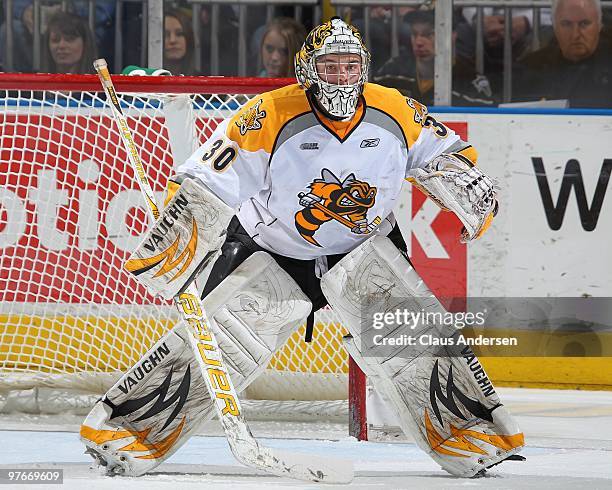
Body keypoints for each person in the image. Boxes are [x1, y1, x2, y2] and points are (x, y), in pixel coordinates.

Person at [80, 18, 523, 480]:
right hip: (273, 249)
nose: (341, 76)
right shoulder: (269, 114)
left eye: (350, 65)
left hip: (363, 249)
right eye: (330, 66)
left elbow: (443, 152)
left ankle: (470, 431)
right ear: (307, 69)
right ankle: (129, 431)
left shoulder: (394, 109)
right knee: (218, 344)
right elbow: (211, 177)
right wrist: (185, 224)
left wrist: (461, 182)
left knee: (412, 342)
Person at [375, 9, 496, 106]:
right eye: (414, 34)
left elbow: (489, 120)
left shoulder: (470, 79)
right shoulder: (392, 71)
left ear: (452, 36)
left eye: (429, 34)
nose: (418, 42)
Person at [514, 0, 612, 107]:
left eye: (584, 24)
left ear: (599, 25)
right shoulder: (532, 69)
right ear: (554, 27)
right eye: (566, 24)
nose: (575, 34)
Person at [163, 9, 195, 75]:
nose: (172, 40)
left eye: (179, 34)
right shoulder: (144, 78)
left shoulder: (201, 80)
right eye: (165, 34)